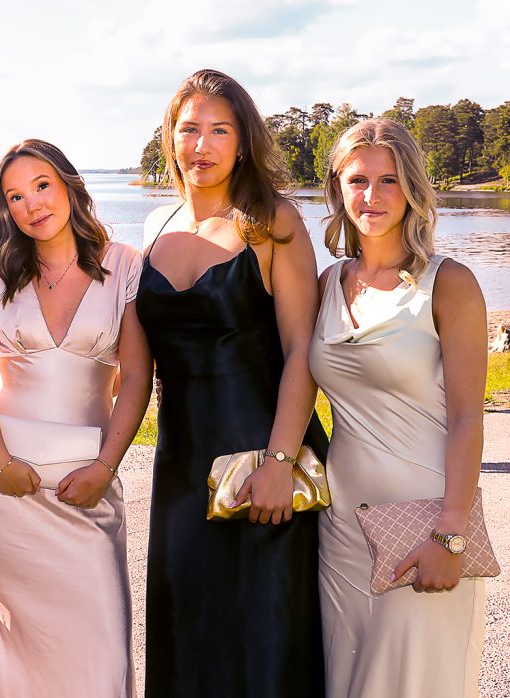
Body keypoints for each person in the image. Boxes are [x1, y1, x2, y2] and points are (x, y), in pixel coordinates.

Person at [134, 68, 328, 696]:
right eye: (189, 129)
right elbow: (136, 364)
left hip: (262, 458)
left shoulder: (272, 222)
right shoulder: (153, 228)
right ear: (170, 137)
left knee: (264, 639)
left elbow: (302, 351)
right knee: (189, 637)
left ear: (243, 142)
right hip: (181, 468)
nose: (202, 145)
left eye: (220, 130)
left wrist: (280, 461)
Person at [0, 139, 150, 697]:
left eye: (41, 185)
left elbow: (137, 376)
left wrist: (106, 468)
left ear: (68, 184)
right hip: (2, 486)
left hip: (88, 480)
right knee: (11, 656)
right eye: (14, 196)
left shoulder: (124, 264)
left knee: (100, 653)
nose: (32, 204)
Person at [310, 118, 487, 698]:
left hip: (423, 525)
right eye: (357, 180)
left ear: (412, 188)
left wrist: (451, 534)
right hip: (342, 531)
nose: (372, 195)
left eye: (389, 180)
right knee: (348, 682)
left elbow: (467, 418)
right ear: (337, 189)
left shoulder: (449, 283)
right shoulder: (327, 283)